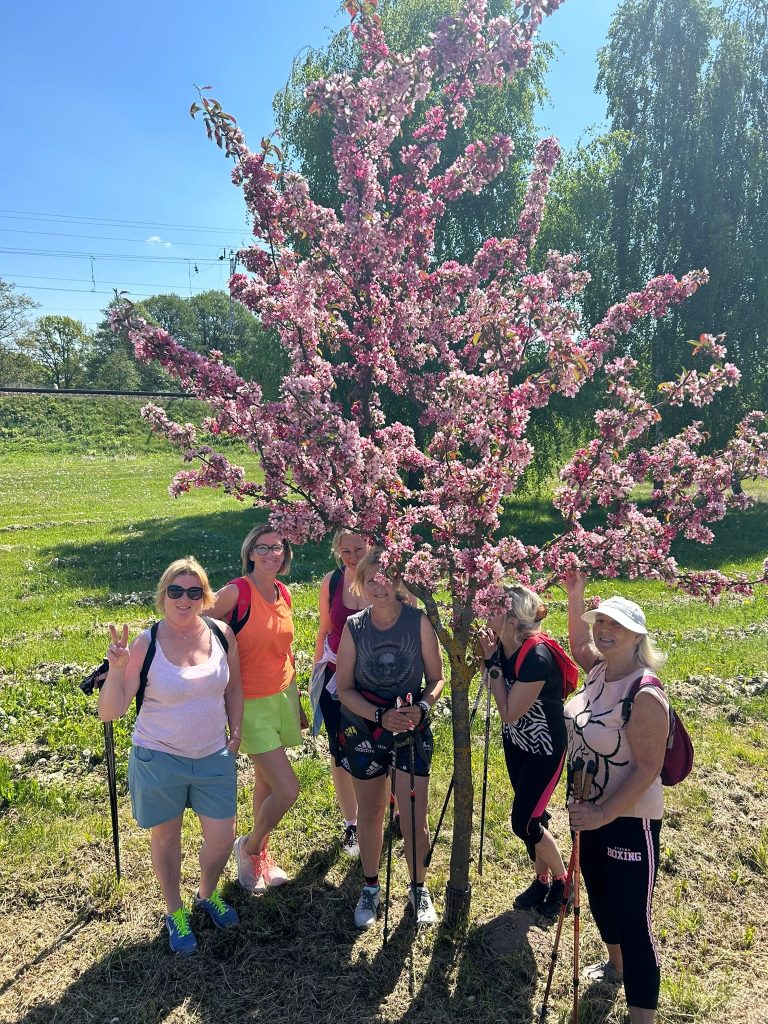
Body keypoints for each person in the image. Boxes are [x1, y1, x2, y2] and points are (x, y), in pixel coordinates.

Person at [98, 556, 243, 955]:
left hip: (213, 755)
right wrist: (117, 669)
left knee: (221, 838)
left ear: (205, 597)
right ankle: (174, 911)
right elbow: (110, 711)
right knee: (166, 838)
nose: (184, 599)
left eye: (194, 592)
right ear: (163, 596)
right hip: (159, 757)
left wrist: (236, 735)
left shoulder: (221, 634)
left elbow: (234, 688)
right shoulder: (146, 644)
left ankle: (207, 893)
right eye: (176, 591)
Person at [565, 572, 670, 1024]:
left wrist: (604, 812)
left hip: (628, 819)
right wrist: (575, 598)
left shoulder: (644, 693)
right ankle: (615, 965)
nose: (604, 631)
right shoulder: (599, 670)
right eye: (601, 623)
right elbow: (579, 644)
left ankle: (641, 1016)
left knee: (634, 920)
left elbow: (647, 769)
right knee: (601, 896)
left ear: (637, 637)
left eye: (617, 626)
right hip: (588, 812)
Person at [335, 548, 445, 928]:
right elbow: (344, 688)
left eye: (386, 577)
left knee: (414, 815)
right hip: (365, 727)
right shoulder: (354, 627)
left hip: (411, 724)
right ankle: (370, 887)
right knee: (371, 811)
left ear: (398, 580)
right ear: (361, 585)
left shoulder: (418, 621)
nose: (379, 586)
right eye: (371, 580)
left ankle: (419, 887)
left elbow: (437, 678)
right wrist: (380, 715)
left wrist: (423, 708)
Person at [210, 524, 307, 894]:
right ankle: (249, 847)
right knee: (288, 790)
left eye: (277, 547)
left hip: (281, 696)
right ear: (250, 552)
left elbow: (284, 650)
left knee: (266, 781)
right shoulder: (237, 592)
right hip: (248, 703)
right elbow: (192, 623)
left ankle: (261, 853)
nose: (270, 554)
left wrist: (297, 701)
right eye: (262, 548)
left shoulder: (283, 591)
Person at [478, 585, 569, 920]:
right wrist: (489, 660)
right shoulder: (501, 646)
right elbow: (490, 682)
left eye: (493, 609)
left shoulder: (537, 658)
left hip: (544, 748)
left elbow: (507, 710)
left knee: (524, 823)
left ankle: (564, 882)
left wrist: (492, 663)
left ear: (512, 621)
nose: (485, 612)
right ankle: (541, 881)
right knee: (536, 817)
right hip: (518, 742)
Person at [311, 531, 371, 857]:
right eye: (345, 550)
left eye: (359, 549)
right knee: (340, 752)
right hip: (335, 679)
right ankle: (352, 823)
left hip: (377, 683)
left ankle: (386, 812)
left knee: (382, 749)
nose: (352, 557)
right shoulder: (332, 581)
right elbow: (324, 630)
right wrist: (316, 675)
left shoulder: (392, 578)